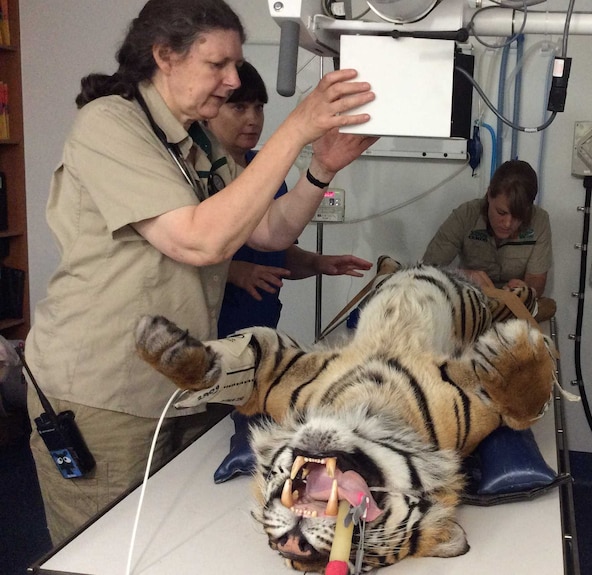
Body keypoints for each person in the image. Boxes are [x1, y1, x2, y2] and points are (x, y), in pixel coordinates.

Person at [24, 0, 376, 545]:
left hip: (180, 381)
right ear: (164, 56)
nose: (233, 80)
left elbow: (269, 233)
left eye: (235, 65)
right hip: (105, 392)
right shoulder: (109, 125)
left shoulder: (199, 140)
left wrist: (321, 165)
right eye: (219, 65)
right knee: (106, 548)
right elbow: (199, 239)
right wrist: (296, 127)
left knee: (174, 540)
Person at [205, 61, 372, 337]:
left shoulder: (268, 170)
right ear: (208, 109)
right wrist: (233, 271)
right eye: (239, 107)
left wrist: (316, 263)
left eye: (258, 108)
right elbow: (178, 252)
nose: (252, 119)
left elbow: (274, 246)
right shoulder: (195, 171)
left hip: (260, 328)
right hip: (212, 329)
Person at [421, 159, 556, 320]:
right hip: (471, 303)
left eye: (518, 217)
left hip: (513, 308)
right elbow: (426, 269)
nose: (507, 223)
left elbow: (537, 279)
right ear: (489, 195)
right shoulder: (466, 215)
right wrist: (462, 276)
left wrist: (526, 290)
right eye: (501, 212)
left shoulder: (539, 220)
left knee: (549, 306)